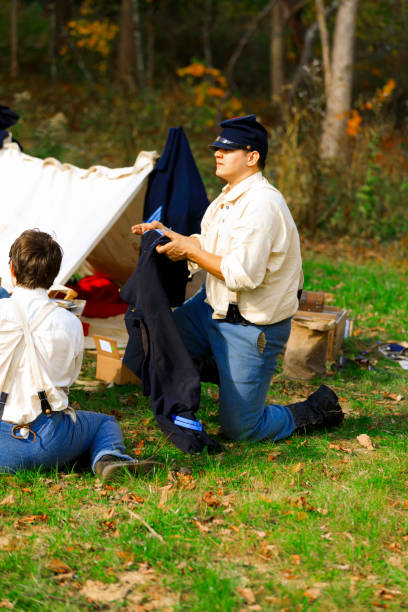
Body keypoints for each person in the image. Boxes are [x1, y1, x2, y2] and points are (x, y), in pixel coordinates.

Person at [131, 115, 344, 442]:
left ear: (252, 157)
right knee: (155, 344)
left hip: (249, 325)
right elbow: (209, 247)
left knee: (241, 430)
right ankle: (229, 372)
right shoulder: (226, 198)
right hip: (209, 308)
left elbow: (242, 274)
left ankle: (316, 408)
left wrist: (189, 251)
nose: (217, 152)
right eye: (217, 147)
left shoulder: (262, 205)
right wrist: (169, 235)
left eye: (227, 149)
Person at [0, 229, 159, 479]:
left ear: (11, 270)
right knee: (104, 424)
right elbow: (69, 379)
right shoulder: (69, 322)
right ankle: (107, 458)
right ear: (54, 276)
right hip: (49, 443)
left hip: (2, 444)